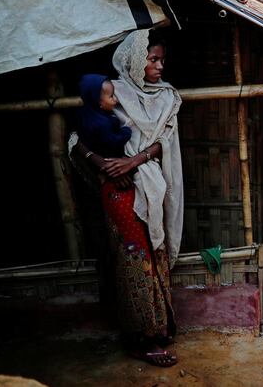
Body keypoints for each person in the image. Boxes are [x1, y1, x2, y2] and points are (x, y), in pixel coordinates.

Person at [70, 29, 183, 367]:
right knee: (134, 259)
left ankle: (158, 328)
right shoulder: (112, 91)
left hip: (151, 185)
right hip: (120, 193)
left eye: (161, 60)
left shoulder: (167, 97)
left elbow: (165, 140)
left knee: (154, 252)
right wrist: (101, 163)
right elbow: (77, 137)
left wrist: (134, 160)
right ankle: (139, 339)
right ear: (135, 61)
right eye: (152, 59)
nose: (159, 66)